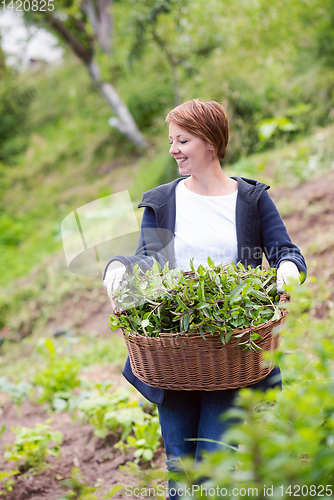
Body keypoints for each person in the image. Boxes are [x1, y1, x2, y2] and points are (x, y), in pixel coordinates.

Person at [103, 99, 307, 499]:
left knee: (215, 469)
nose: (173, 149)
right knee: (181, 467)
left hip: (230, 350)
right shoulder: (163, 201)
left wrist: (287, 272)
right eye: (171, 141)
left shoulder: (251, 200)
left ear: (211, 143)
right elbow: (148, 260)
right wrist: (118, 268)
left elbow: (287, 252)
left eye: (183, 140)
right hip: (174, 356)